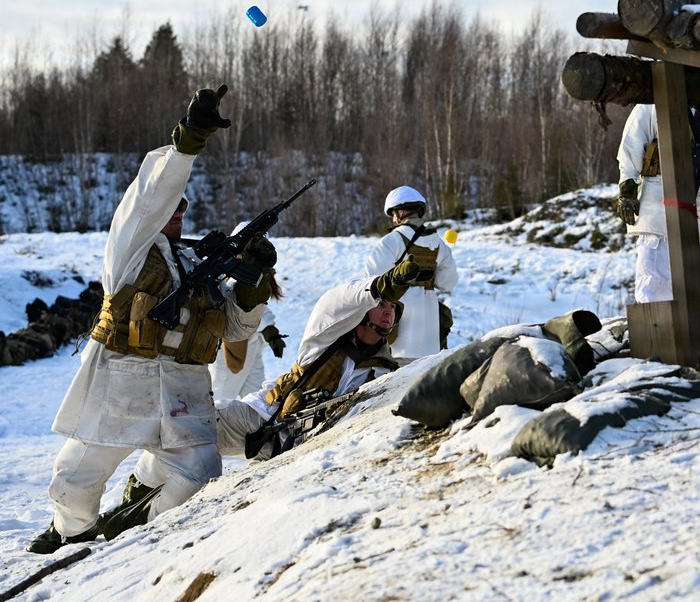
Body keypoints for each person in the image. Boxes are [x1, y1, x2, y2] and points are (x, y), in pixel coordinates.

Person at [27, 85, 273, 554]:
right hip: (121, 387)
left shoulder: (193, 264)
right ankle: (70, 534)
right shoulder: (131, 252)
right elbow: (148, 197)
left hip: (183, 394)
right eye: (170, 207)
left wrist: (253, 280)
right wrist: (188, 143)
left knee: (199, 475)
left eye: (182, 209)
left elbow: (238, 329)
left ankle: (133, 525)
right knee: (72, 484)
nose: (176, 215)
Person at [113, 266, 419, 522]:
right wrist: (381, 286)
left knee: (208, 484)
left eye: (392, 307)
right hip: (259, 418)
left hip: (289, 451)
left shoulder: (383, 371)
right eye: (382, 304)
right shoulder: (324, 342)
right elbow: (334, 302)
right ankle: (137, 490)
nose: (388, 312)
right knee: (187, 431)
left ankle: (143, 521)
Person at [615, 102, 700, 303]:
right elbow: (632, 144)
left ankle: (693, 333)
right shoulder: (654, 100)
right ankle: (656, 333)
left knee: (698, 295)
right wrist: (627, 191)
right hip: (660, 206)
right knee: (654, 292)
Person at [364, 186, 458, 357]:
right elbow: (448, 282)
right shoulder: (438, 244)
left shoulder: (391, 241)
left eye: (393, 214)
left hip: (397, 320)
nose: (393, 220)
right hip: (429, 327)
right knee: (425, 372)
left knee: (395, 374)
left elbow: (372, 283)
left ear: (400, 212)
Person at [209, 222, 287, 407]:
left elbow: (258, 306)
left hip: (253, 345)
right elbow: (237, 304)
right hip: (230, 348)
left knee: (256, 400)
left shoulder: (256, 272)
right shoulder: (228, 271)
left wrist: (269, 330)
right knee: (220, 400)